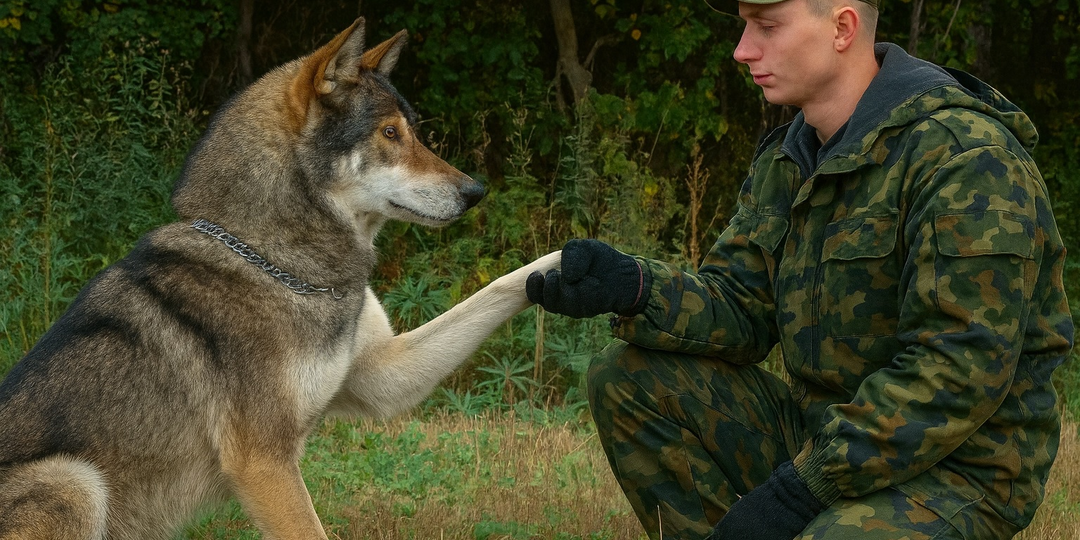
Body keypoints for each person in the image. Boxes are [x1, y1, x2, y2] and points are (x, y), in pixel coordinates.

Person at [526, 0, 1075, 539]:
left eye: (766, 26)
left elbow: (959, 366)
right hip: (823, 437)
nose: (742, 51)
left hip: (957, 468)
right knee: (626, 376)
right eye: (745, 27)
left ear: (842, 28)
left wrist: (800, 491)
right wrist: (634, 287)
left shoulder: (966, 158)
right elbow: (742, 306)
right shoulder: (792, 158)